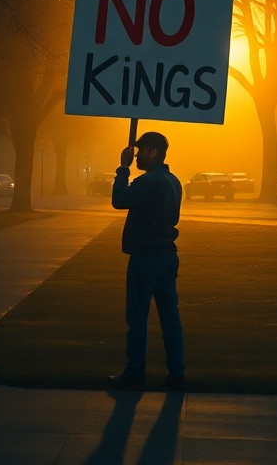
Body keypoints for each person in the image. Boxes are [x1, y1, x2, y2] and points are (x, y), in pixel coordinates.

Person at [107, 130, 185, 391]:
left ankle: (135, 371)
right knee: (170, 317)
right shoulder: (173, 181)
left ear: (153, 152)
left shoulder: (149, 182)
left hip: (146, 257)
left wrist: (123, 168)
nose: (137, 155)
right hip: (167, 255)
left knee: (138, 317)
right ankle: (177, 372)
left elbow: (119, 200)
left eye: (141, 151)